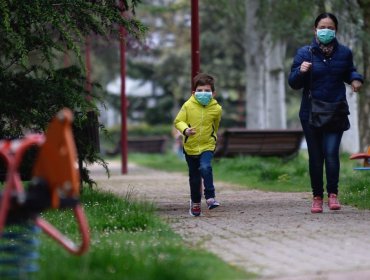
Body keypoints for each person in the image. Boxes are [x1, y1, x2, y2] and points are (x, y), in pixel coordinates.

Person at [288, 12, 363, 213]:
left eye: (330, 27)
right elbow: (293, 83)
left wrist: (356, 79)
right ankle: (317, 196)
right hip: (311, 112)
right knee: (315, 156)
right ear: (315, 29)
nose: (326, 31)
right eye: (322, 27)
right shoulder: (305, 53)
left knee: (331, 153)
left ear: (335, 30)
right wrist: (301, 71)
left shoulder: (344, 52)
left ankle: (333, 195)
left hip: (335, 110)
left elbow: (348, 71)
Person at [174, 73, 222, 217]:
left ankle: (210, 198)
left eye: (207, 91)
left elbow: (216, 125)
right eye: (200, 91)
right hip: (190, 147)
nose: (203, 93)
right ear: (194, 93)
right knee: (194, 177)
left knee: (206, 167)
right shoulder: (188, 105)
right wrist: (185, 130)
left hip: (207, 144)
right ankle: (195, 202)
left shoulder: (216, 109)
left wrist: (212, 137)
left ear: (213, 93)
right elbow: (178, 121)